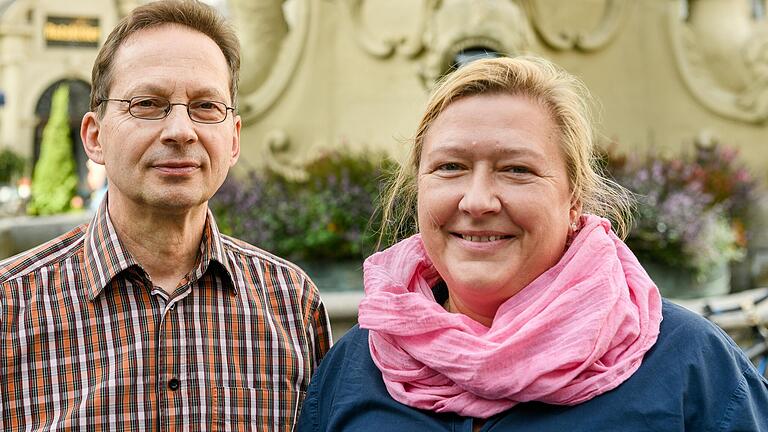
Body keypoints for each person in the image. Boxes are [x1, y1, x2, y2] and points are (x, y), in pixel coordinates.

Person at [297, 56, 768, 431]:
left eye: (517, 170)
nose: (477, 200)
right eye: (450, 167)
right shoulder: (360, 364)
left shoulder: (689, 363)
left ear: (573, 200)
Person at [0, 1, 331, 430]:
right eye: (148, 103)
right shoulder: (11, 310)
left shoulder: (292, 305)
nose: (180, 130)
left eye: (206, 106)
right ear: (95, 137)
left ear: (232, 139)